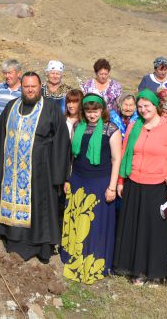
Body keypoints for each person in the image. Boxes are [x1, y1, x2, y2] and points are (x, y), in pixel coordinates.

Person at [0, 72, 70, 263]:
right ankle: (11, 239)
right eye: (26, 87)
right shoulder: (12, 107)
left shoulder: (51, 109)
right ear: (21, 87)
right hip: (12, 173)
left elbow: (62, 142)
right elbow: (0, 135)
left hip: (40, 173)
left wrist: (58, 175)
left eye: (34, 87)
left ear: (40, 87)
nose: (30, 90)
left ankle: (38, 246)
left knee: (38, 208)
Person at [113, 89, 167, 284]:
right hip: (134, 182)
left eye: (147, 106)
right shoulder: (135, 126)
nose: (143, 110)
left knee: (152, 231)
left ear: (156, 106)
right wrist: (121, 180)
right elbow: (125, 152)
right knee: (134, 228)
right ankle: (136, 270)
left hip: (157, 186)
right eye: (140, 106)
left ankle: (153, 272)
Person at [60, 93, 122, 284]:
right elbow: (72, 156)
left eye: (95, 111)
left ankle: (94, 259)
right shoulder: (78, 126)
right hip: (79, 179)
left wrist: (112, 187)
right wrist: (68, 178)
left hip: (100, 181)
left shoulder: (111, 130)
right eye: (88, 111)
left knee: (95, 223)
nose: (92, 115)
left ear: (102, 110)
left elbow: (116, 159)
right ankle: (74, 256)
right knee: (77, 218)